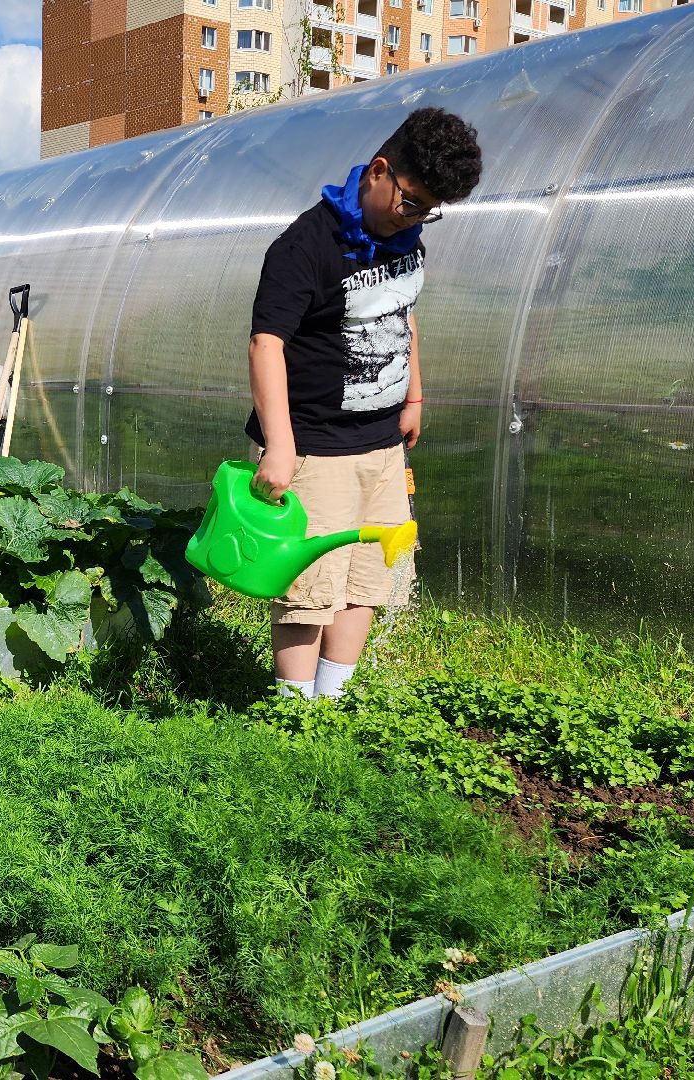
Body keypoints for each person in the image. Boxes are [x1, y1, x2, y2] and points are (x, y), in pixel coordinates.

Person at [245, 107, 484, 700]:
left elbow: (402, 311)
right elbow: (265, 342)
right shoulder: (305, 246)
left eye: (429, 210)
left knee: (366, 577)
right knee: (308, 586)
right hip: (314, 445)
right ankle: (293, 718)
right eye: (411, 202)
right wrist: (280, 446)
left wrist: (415, 394)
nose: (417, 217)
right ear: (380, 171)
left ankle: (333, 701)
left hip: (381, 444)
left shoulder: (404, 235)